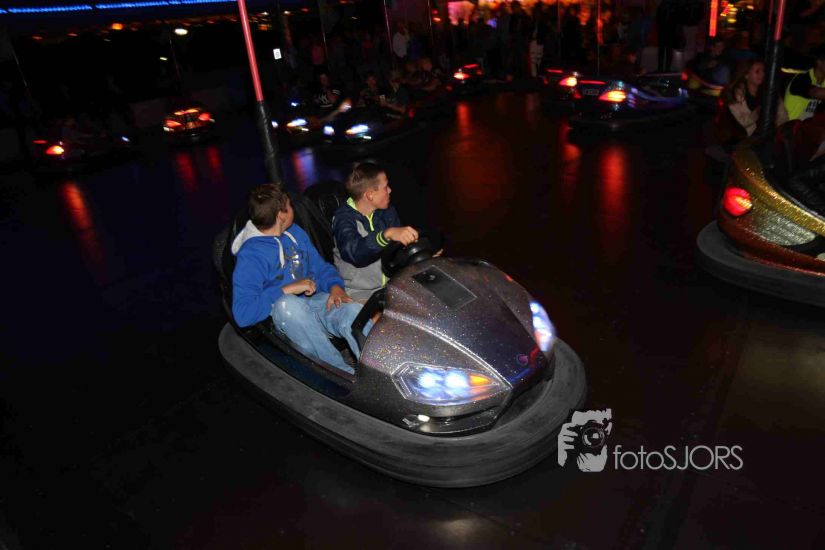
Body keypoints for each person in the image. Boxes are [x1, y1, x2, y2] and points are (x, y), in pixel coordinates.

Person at [232, 184, 366, 374]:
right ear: (281, 215)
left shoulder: (295, 233)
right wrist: (286, 290)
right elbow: (243, 314)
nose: (293, 208)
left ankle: (382, 370)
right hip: (283, 320)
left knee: (352, 310)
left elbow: (320, 268)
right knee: (288, 305)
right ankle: (340, 373)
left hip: (313, 303)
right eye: (290, 206)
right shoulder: (251, 256)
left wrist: (336, 287)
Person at [332, 162, 419, 302]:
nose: (390, 190)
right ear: (370, 195)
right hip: (358, 293)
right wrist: (385, 235)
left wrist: (418, 253)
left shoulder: (387, 211)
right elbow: (354, 253)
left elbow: (398, 251)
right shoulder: (343, 220)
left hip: (391, 285)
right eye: (385, 187)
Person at [715, 59, 765, 148]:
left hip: (756, 137)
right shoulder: (735, 95)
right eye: (757, 71)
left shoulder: (767, 92)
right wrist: (760, 112)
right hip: (735, 140)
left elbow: (781, 115)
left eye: (763, 71)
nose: (762, 74)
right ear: (746, 75)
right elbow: (743, 123)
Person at [784, 45, 825, 122]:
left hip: (805, 125)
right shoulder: (802, 77)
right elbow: (816, 92)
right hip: (788, 124)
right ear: (819, 62)